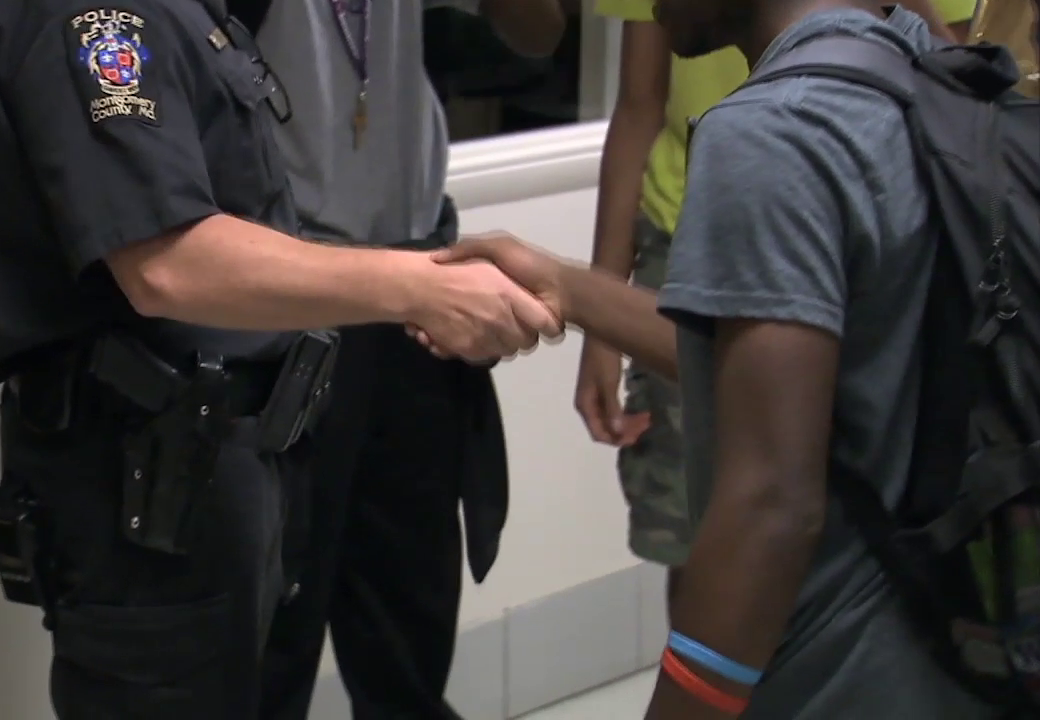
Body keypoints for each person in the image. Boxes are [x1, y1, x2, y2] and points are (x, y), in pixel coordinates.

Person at [0, 0, 560, 717]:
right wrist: (420, 288)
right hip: (144, 466)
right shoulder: (92, 12)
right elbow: (166, 261)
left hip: (206, 456)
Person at [421, 1, 1010, 717]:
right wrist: (566, 285)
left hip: (842, 673)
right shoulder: (915, 68)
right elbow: (787, 357)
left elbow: (772, 507)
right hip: (957, 642)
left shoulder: (775, 130)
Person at [580, 0, 977, 607]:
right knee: (704, 523)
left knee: (796, 505)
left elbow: (962, 83)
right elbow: (639, 105)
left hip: (852, 225)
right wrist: (598, 315)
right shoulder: (748, 132)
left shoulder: (770, 130)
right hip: (690, 233)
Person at [248, 3, 568, 718]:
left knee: (407, 631)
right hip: (280, 304)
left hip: (414, 292)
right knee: (271, 640)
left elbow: (538, 37)